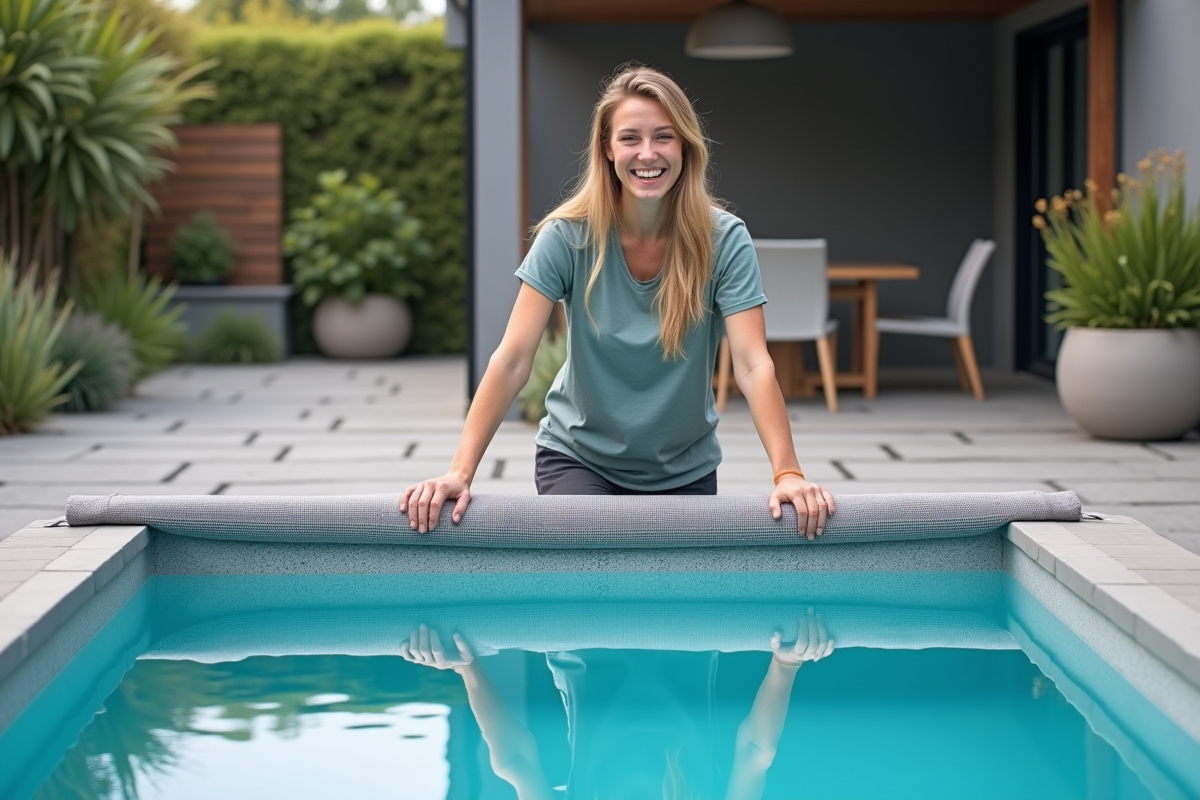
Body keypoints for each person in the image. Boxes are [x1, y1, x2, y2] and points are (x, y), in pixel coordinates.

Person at [401, 64, 834, 537]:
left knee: (665, 607)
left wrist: (788, 473)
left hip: (682, 471)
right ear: (607, 149)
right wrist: (459, 472)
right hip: (579, 460)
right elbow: (512, 361)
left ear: (686, 147)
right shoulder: (566, 237)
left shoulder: (724, 240)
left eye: (663, 137)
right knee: (592, 587)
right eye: (630, 138)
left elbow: (753, 365)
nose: (647, 153)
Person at [398, 611, 835, 800]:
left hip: (596, 647)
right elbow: (755, 752)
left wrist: (467, 670)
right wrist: (785, 664)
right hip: (671, 647)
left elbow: (514, 760)